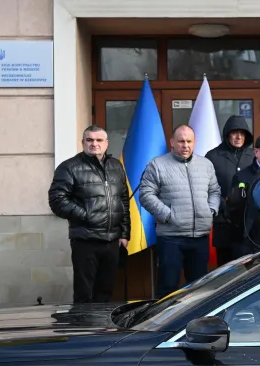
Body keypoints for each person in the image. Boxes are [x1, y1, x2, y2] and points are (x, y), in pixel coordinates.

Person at [48, 126, 130, 304]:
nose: (94, 144)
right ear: (83, 142)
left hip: (112, 241)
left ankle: (102, 330)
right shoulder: (69, 167)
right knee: (85, 294)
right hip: (86, 241)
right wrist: (87, 215)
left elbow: (123, 200)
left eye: (99, 140)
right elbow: (57, 200)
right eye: (90, 140)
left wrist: (124, 233)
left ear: (106, 143)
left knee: (106, 292)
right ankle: (84, 329)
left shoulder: (116, 166)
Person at [137, 125, 220, 297]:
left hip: (200, 238)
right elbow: (145, 195)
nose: (185, 145)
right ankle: (163, 323)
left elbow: (214, 191)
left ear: (194, 142)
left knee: (199, 289)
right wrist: (168, 216)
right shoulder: (157, 165)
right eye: (181, 141)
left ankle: (196, 323)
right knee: (168, 286)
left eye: (189, 141)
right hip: (171, 238)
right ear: (172, 142)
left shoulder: (206, 165)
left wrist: (210, 210)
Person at [205, 114, 255, 265]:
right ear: (227, 134)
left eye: (242, 133)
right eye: (235, 132)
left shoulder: (253, 156)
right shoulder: (213, 156)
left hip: (249, 225)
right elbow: (206, 187)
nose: (239, 137)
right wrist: (223, 206)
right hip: (224, 223)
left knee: (249, 271)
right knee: (226, 271)